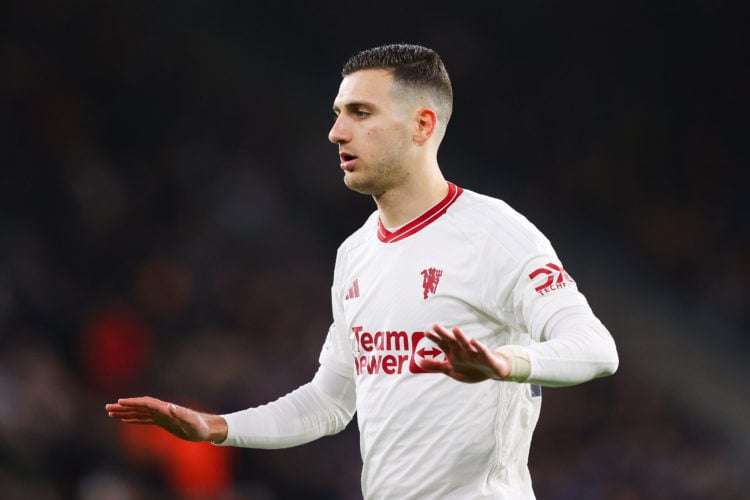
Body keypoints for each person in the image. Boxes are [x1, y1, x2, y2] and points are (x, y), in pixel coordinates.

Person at [106, 43, 619, 499]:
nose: (336, 132)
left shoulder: (494, 233)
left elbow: (598, 350)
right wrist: (217, 427)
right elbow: (330, 401)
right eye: (337, 113)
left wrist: (505, 363)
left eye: (360, 112)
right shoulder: (356, 253)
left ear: (422, 124)